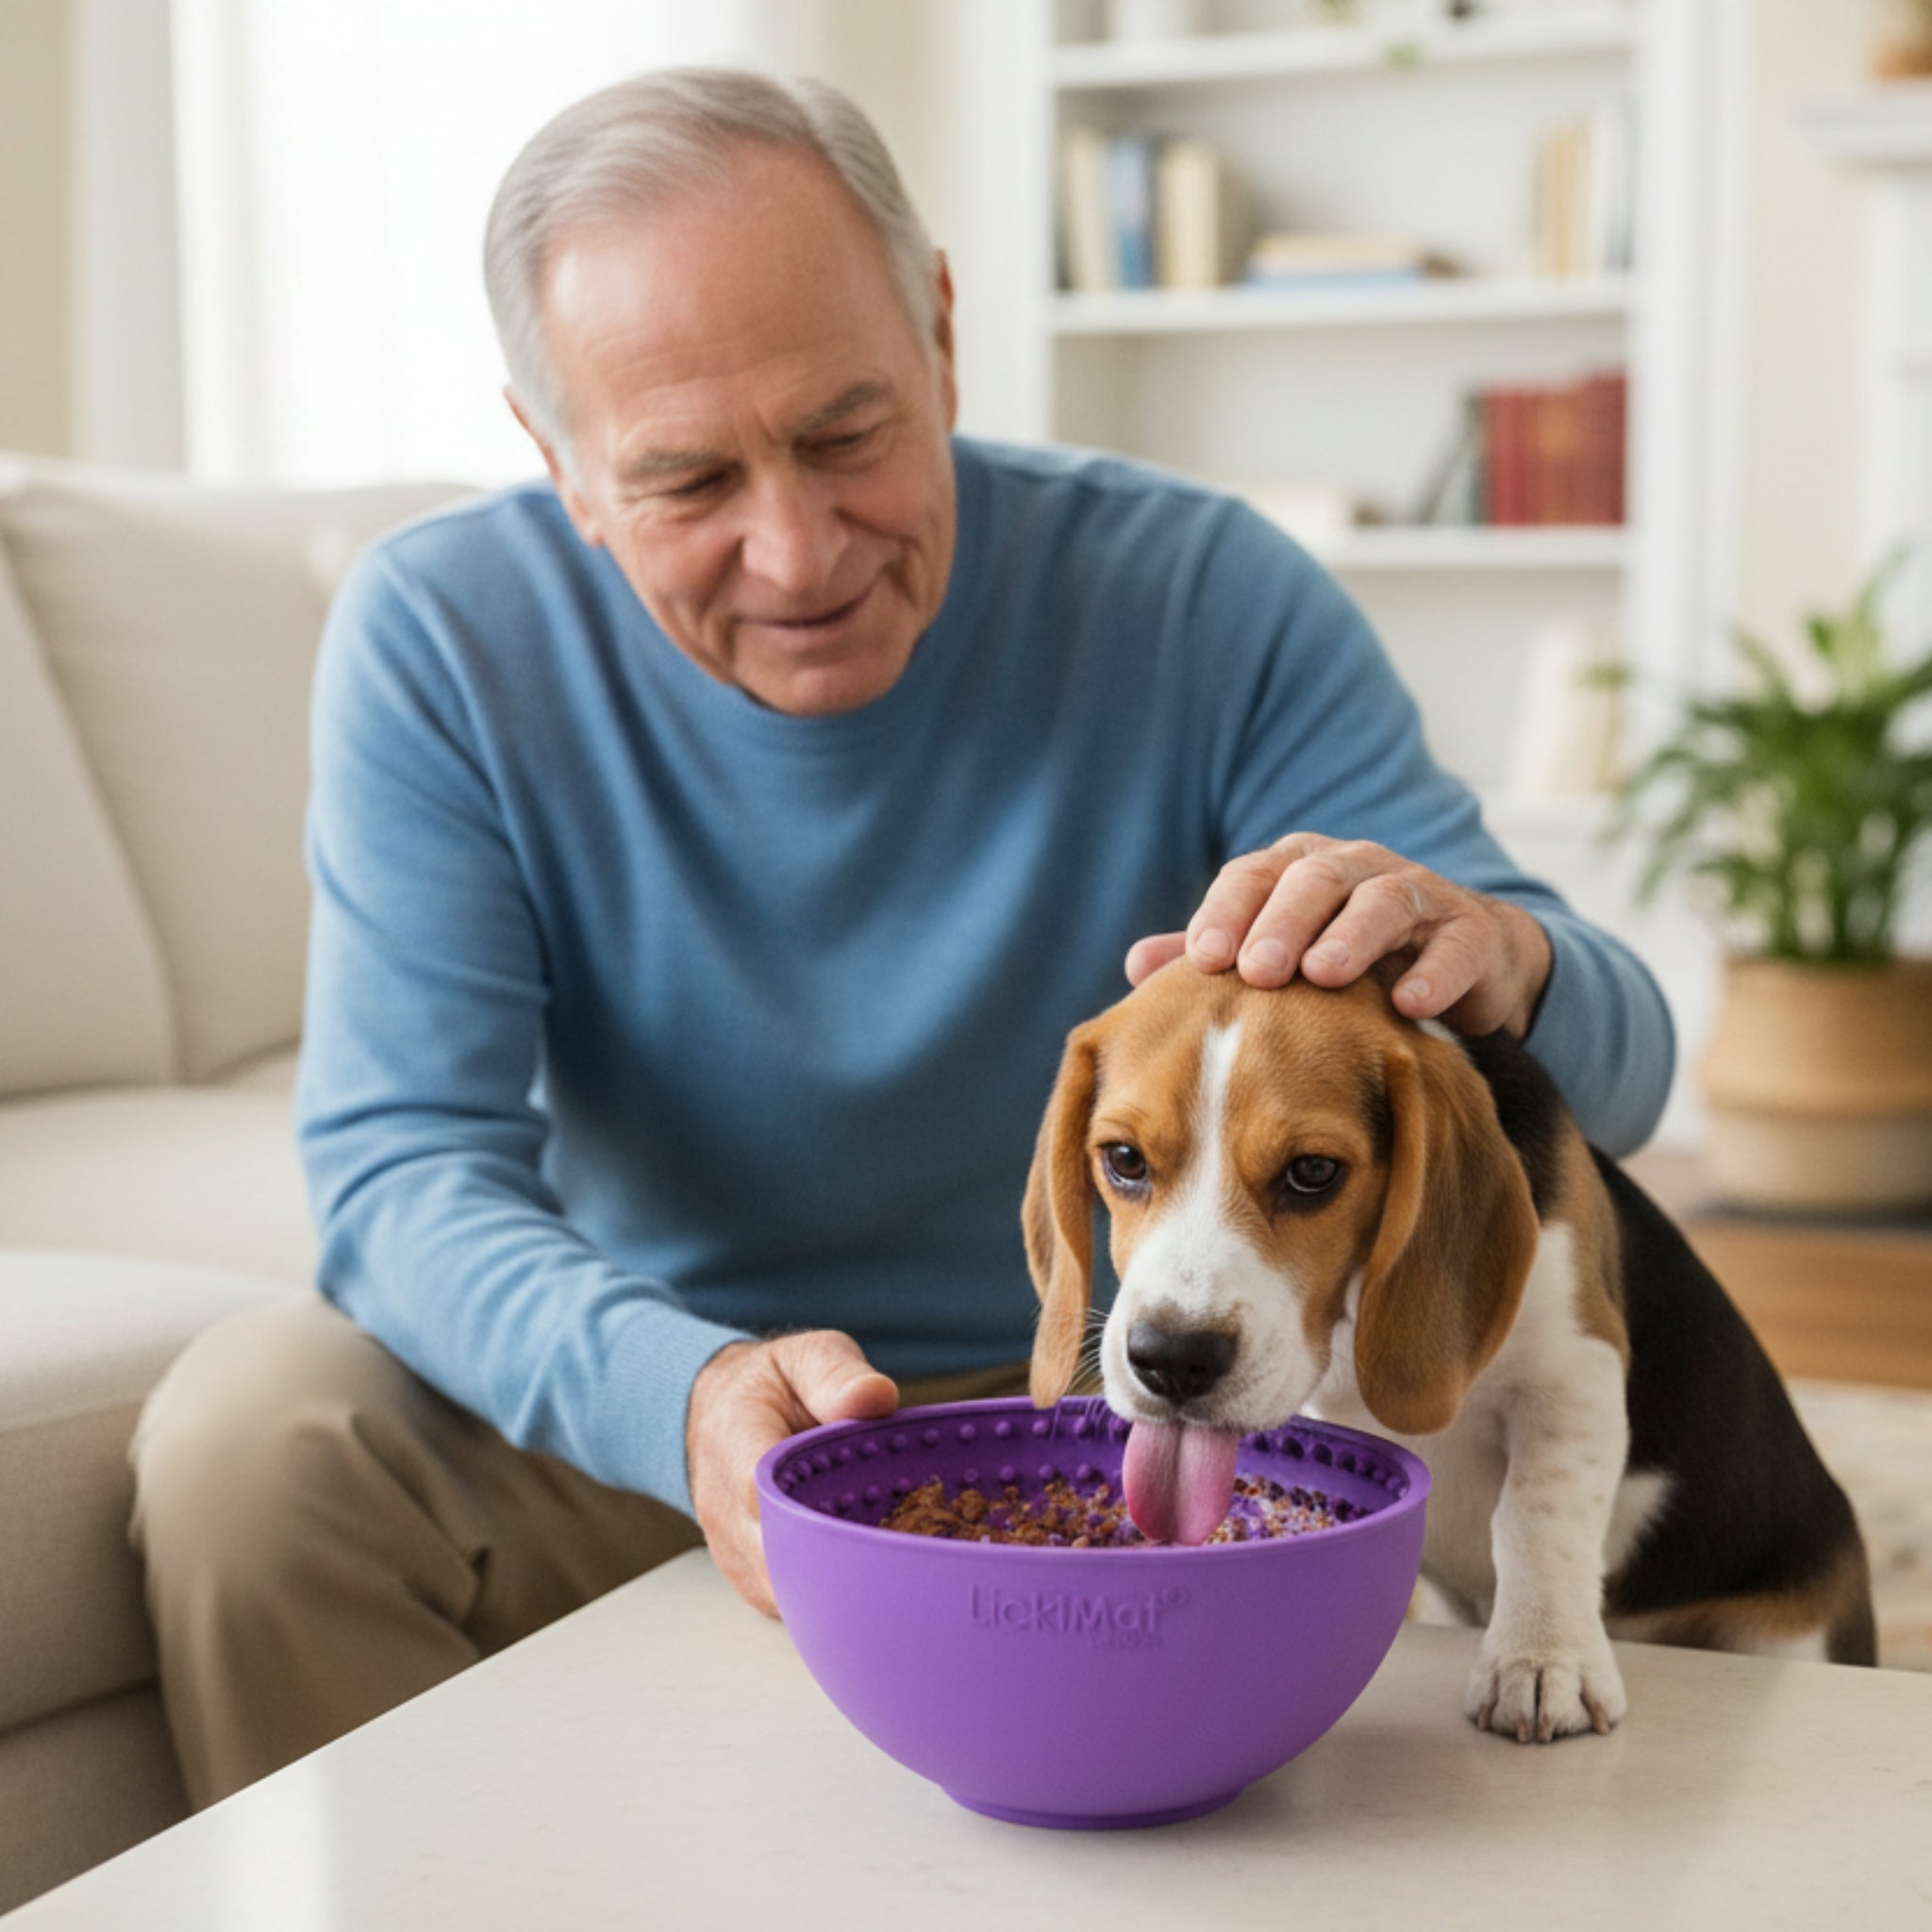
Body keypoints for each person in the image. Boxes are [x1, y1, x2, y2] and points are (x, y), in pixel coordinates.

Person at [129, 66, 1674, 1807]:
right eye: (686, 477)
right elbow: (400, 1162)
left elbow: (1613, 1067)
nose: (794, 552)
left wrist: (1507, 957)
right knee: (255, 1444)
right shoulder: (441, 639)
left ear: (941, 331)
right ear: (557, 460)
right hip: (696, 1379)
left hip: (1125, 1379)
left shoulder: (1202, 593)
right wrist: (683, 1395)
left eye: (849, 432)